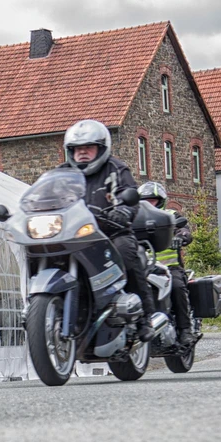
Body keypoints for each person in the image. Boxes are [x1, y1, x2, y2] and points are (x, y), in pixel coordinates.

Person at [59, 120, 154, 342]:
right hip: (73, 235)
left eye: (88, 148)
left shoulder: (115, 169)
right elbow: (43, 195)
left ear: (101, 148)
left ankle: (144, 318)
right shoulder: (61, 173)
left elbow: (129, 194)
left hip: (111, 232)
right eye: (76, 149)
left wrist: (123, 210)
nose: (82, 153)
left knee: (127, 255)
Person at [138, 181, 196, 346]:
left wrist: (181, 237)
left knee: (177, 287)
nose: (149, 204)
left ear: (160, 200)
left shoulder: (170, 215)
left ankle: (186, 330)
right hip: (145, 268)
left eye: (152, 200)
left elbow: (184, 230)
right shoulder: (136, 218)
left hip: (170, 268)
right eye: (145, 200)